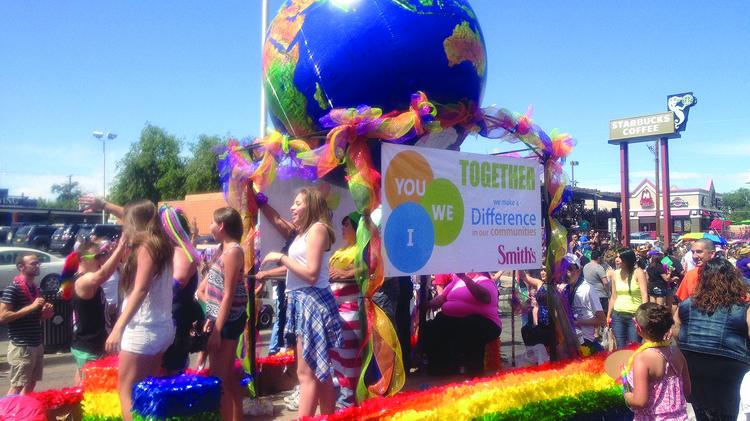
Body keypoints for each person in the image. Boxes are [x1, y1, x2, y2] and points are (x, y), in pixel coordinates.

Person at [260, 188, 343, 417]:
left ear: (311, 205)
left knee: (306, 373)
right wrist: (267, 273)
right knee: (318, 372)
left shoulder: (317, 229)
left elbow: (311, 274)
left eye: (298, 203)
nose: (292, 207)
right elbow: (297, 268)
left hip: (311, 302)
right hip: (301, 301)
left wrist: (281, 257)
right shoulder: (302, 233)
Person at [104, 200, 175, 421]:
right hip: (161, 327)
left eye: (126, 222)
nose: (123, 225)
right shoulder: (162, 243)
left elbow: (141, 289)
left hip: (143, 329)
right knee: (147, 393)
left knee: (127, 392)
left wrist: (118, 327)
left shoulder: (146, 247)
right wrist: (104, 205)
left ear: (134, 222)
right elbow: (138, 212)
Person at [674, 257, 750, 420]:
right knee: (729, 414)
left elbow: (675, 331)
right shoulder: (743, 308)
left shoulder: (686, 304)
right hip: (731, 366)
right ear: (733, 280)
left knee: (701, 411)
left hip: (693, 363)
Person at [204, 207, 248, 421]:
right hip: (224, 318)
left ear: (221, 226)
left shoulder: (232, 252)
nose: (210, 227)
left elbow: (228, 294)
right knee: (228, 377)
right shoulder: (226, 251)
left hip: (228, 320)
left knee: (218, 379)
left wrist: (217, 331)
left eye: (213, 222)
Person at [71, 239, 128, 383]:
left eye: (101, 255)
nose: (100, 260)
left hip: (94, 343)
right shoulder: (82, 280)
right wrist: (120, 248)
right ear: (82, 259)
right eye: (96, 257)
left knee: (87, 383)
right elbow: (103, 275)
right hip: (89, 346)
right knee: (88, 387)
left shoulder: (89, 279)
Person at [423, 272, 501, 376]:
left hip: (485, 322)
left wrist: (465, 278)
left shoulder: (485, 281)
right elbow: (441, 298)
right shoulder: (456, 281)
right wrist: (426, 305)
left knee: (471, 325)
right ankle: (441, 369)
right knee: (435, 325)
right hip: (456, 320)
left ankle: (474, 371)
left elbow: (485, 297)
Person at [625, 302, 690, 420]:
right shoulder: (677, 352)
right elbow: (687, 390)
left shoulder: (642, 359)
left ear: (638, 328)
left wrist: (627, 396)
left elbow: (640, 401)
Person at [0, 254, 53, 395]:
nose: (37, 266)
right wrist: (31, 307)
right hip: (22, 346)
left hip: (36, 343)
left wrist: (46, 313)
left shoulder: (35, 289)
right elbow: (3, 317)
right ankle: (7, 409)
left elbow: (35, 317)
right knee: (17, 386)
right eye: (33, 263)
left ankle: (23, 409)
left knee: (31, 384)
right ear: (21, 267)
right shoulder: (13, 289)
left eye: (38, 263)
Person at [159, 206, 203, 375]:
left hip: (175, 321)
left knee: (172, 372)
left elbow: (178, 282)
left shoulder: (181, 253)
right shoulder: (176, 251)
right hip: (169, 318)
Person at [327, 212, 363, 409]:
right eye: (342, 225)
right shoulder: (341, 250)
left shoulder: (362, 250)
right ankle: (342, 395)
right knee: (336, 354)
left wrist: (347, 273)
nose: (343, 229)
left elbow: (371, 268)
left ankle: (348, 400)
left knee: (349, 356)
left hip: (350, 309)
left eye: (347, 225)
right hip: (335, 310)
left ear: (357, 228)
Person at [563, 254, 606, 354]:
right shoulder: (565, 288)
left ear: (579, 271)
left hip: (585, 341)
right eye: (563, 268)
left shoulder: (587, 289)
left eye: (570, 269)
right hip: (569, 339)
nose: (566, 272)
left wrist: (578, 322)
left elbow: (602, 320)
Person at [607, 249, 648, 349]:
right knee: (620, 347)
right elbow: (613, 296)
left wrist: (643, 316)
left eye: (620, 257)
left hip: (634, 316)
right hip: (618, 316)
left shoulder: (638, 272)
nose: (617, 259)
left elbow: (644, 295)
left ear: (627, 259)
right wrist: (608, 315)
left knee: (634, 346)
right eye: (616, 257)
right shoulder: (615, 274)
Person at [583, 249, 610, 314]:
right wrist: (608, 293)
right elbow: (605, 282)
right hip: (600, 296)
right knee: (603, 316)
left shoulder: (585, 267)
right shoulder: (599, 267)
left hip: (589, 295)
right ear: (599, 258)